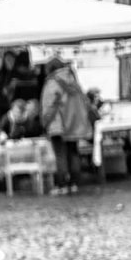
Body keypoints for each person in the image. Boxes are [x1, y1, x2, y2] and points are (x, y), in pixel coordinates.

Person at [40, 54, 95, 193]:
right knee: (73, 152)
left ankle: (62, 185)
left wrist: (45, 122)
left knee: (60, 155)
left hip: (57, 124)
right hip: (74, 123)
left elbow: (48, 105)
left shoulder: (52, 83)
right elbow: (83, 101)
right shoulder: (73, 80)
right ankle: (74, 183)